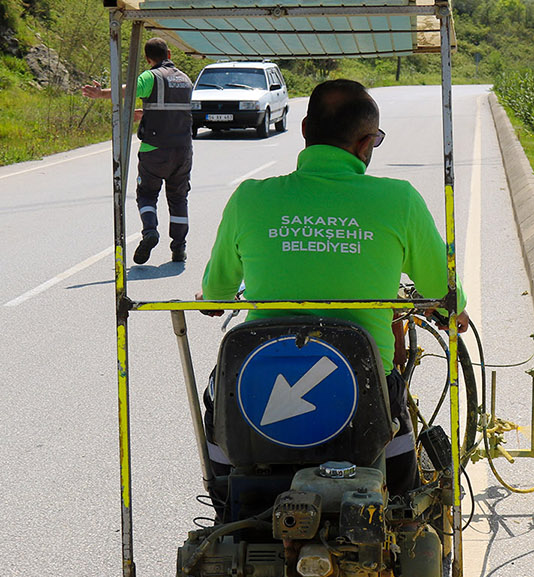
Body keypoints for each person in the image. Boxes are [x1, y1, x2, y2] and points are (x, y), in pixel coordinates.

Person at [197, 78, 468, 487]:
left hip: (260, 378)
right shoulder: (400, 200)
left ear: (304, 130)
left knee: (215, 401)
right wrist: (455, 309)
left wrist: (211, 298)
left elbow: (215, 295)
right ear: (366, 144)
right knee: (398, 444)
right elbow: (442, 291)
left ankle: (225, 499)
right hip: (362, 384)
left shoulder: (249, 198)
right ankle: (400, 502)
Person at [82, 37, 195, 264]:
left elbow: (126, 91)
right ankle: (179, 249)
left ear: (147, 59)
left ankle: (150, 231)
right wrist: (146, 112)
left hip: (154, 150)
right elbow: (174, 110)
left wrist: (100, 93)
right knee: (178, 198)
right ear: (169, 54)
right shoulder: (185, 80)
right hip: (182, 150)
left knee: (146, 195)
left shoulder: (149, 76)